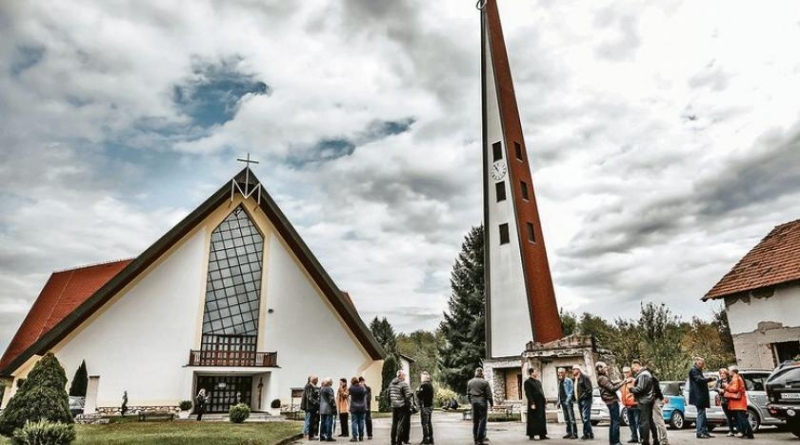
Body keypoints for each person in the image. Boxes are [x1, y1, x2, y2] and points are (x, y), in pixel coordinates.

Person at [596, 362, 625, 445]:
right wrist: (623, 382)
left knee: (613, 421)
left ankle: (612, 441)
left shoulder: (602, 378)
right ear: (600, 369)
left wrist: (619, 382)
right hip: (611, 401)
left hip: (609, 401)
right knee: (616, 421)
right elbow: (612, 388)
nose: (607, 369)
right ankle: (616, 441)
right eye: (605, 367)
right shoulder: (602, 378)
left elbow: (611, 385)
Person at [688, 357, 714, 439]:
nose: (702, 364)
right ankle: (700, 432)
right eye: (700, 363)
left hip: (700, 396)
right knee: (701, 414)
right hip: (698, 396)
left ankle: (704, 431)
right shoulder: (694, 370)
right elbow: (699, 380)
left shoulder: (698, 371)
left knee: (702, 413)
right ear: (696, 363)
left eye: (703, 363)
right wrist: (708, 379)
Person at [630, 360, 655, 445]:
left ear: (637, 365)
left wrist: (631, 389)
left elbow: (640, 388)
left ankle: (645, 441)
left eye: (633, 368)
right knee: (650, 421)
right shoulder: (646, 373)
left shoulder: (643, 374)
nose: (633, 370)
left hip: (645, 401)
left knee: (645, 421)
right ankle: (656, 440)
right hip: (648, 399)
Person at [725, 366, 754, 439]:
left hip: (739, 402)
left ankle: (748, 434)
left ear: (732, 371)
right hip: (739, 402)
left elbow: (734, 389)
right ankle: (746, 433)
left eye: (729, 370)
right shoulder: (737, 377)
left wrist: (727, 386)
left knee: (742, 418)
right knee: (742, 418)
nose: (728, 372)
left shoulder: (736, 378)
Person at [467, 367, 493, 445]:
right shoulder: (485, 382)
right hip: (482, 402)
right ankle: (480, 439)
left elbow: (468, 394)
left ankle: (475, 439)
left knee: (475, 421)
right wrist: (491, 404)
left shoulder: (470, 382)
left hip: (474, 402)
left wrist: (471, 402)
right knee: (482, 421)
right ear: (482, 373)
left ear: (475, 372)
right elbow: (489, 395)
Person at [389, 370, 413, 445]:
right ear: (400, 375)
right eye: (404, 375)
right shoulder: (404, 384)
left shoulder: (391, 384)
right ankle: (399, 441)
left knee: (394, 423)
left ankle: (393, 441)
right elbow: (408, 395)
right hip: (402, 406)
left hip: (394, 406)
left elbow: (388, 394)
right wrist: (407, 403)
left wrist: (391, 403)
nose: (405, 376)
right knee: (401, 424)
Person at [524, 367, 549, 440]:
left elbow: (541, 392)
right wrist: (532, 403)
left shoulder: (538, 382)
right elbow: (528, 393)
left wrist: (544, 401)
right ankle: (531, 434)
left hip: (540, 402)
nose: (537, 373)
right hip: (534, 403)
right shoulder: (528, 382)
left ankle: (542, 434)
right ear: (531, 373)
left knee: (541, 419)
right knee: (533, 419)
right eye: (535, 371)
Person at [573, 365, 594, 440]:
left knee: (585, 417)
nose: (573, 370)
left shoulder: (584, 377)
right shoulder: (575, 379)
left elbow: (589, 390)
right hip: (579, 400)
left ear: (578, 370)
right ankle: (590, 433)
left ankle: (586, 434)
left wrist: (582, 397)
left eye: (574, 369)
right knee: (584, 418)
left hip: (585, 400)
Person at [556, 367, 578, 439]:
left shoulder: (569, 380)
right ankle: (569, 433)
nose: (560, 374)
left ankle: (574, 433)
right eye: (559, 372)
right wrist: (558, 402)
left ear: (564, 373)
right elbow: (559, 393)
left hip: (568, 402)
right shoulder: (560, 382)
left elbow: (571, 391)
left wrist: (567, 400)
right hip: (562, 402)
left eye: (561, 372)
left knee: (571, 418)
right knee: (566, 419)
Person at [715, 368, 737, 437]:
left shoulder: (730, 380)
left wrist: (725, 390)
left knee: (735, 415)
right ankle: (731, 431)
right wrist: (719, 389)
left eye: (723, 373)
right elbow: (715, 388)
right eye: (721, 373)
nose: (722, 375)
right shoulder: (719, 381)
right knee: (728, 416)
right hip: (724, 401)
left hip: (731, 400)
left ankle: (739, 429)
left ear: (726, 374)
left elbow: (733, 388)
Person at [620, 366, 639, 443]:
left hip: (635, 405)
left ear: (630, 372)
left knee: (638, 423)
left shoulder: (634, 381)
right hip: (627, 406)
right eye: (624, 372)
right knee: (631, 423)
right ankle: (634, 437)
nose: (626, 374)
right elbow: (622, 393)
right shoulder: (623, 382)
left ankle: (641, 438)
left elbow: (638, 391)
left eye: (627, 372)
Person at [416, 371, 435, 445]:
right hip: (430, 406)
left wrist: (417, 391)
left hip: (425, 406)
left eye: (421, 377)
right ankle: (431, 439)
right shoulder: (430, 385)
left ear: (424, 378)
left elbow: (419, 395)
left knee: (424, 423)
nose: (421, 378)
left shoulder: (424, 386)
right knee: (429, 423)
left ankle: (425, 439)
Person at [650, 371, 669, 445]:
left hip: (655, 400)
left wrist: (662, 399)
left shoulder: (653, 379)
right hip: (653, 400)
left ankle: (664, 440)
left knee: (659, 421)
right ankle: (660, 439)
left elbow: (658, 391)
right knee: (656, 421)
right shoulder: (650, 378)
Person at [349, 376, 367, 442]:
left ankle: (354, 437)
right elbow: (365, 392)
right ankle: (361, 436)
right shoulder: (362, 388)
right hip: (362, 407)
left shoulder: (351, 388)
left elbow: (349, 394)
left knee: (354, 422)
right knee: (361, 422)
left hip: (354, 407)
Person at [301, 375, 320, 440]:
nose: (317, 381)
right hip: (309, 407)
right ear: (313, 380)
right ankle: (307, 434)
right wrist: (317, 403)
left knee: (311, 421)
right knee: (308, 421)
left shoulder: (312, 386)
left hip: (312, 407)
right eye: (316, 380)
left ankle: (310, 435)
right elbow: (310, 397)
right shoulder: (309, 386)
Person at [319, 378, 337, 442]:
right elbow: (331, 399)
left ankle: (322, 436)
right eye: (331, 381)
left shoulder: (321, 389)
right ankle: (328, 436)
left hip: (322, 408)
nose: (332, 382)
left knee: (323, 422)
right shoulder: (329, 389)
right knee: (329, 422)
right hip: (328, 408)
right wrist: (334, 407)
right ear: (329, 382)